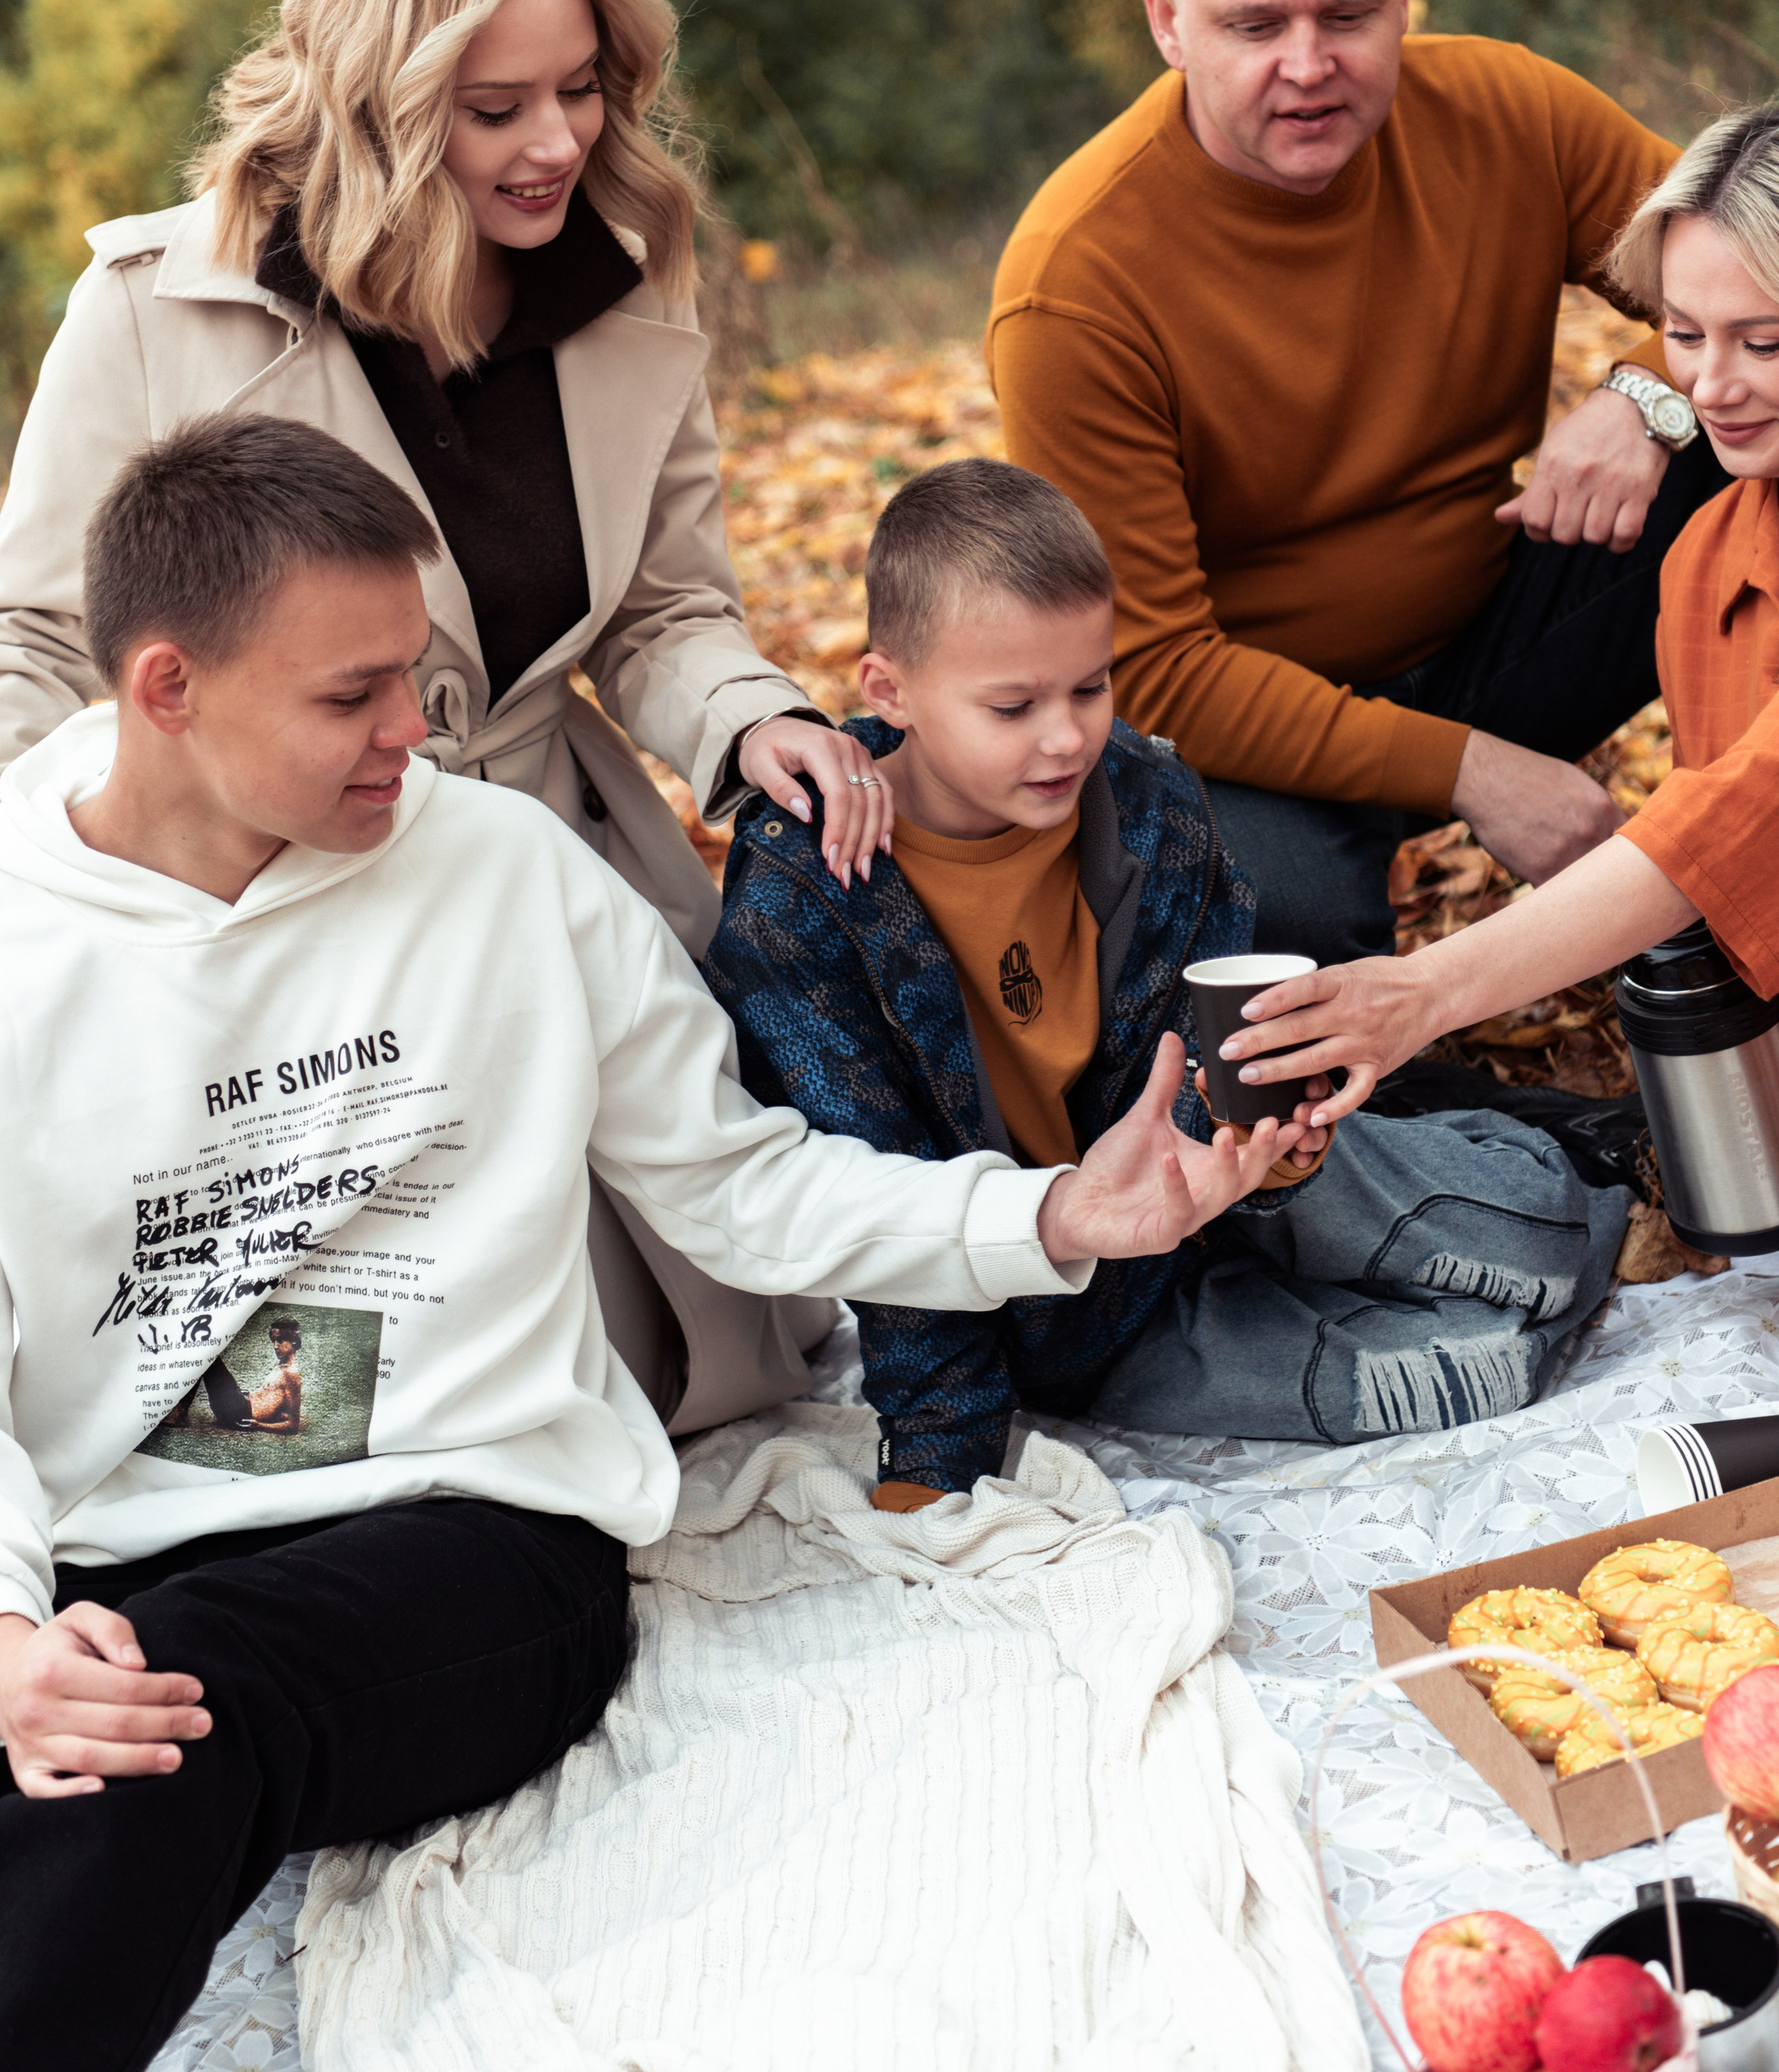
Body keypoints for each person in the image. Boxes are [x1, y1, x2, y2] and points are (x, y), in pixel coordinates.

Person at [0, 413, 1233, 2072]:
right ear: (168, 688)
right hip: (111, 1533)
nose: (411, 732)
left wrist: (1052, 1210)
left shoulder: (501, 866)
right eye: (346, 695)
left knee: (166, 1711)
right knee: (85, 1694)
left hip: (470, 1530)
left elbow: (735, 1183)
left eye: (412, 676)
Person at [0, 0, 891, 1438]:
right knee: (313, 1419)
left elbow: (672, 606)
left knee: (644, 1381)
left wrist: (751, 723)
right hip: (265, 921)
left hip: (543, 872)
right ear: (373, 107)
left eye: (581, 88)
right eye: (496, 110)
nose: (558, 141)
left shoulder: (630, 288)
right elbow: (46, 649)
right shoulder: (149, 309)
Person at [703, 459, 1635, 1499]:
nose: (1066, 737)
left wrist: (1278, 1155)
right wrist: (939, 1453)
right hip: (1063, 1297)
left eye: (1091, 687)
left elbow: (1220, 1064)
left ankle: (1562, 1167)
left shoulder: (1148, 800)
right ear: (890, 691)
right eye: (1012, 706)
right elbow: (881, 1186)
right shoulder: (806, 892)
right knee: (1465, 1375)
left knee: (1550, 1245)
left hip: (1224, 1186)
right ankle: (1446, 1209)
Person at [987, 0, 1732, 966]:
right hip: (1245, 730)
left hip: (1504, 620)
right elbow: (1154, 667)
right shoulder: (1074, 283)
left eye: (1348, 13)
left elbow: (1760, 268)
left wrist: (1646, 393)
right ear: (1167, 19)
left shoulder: (1509, 112)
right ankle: (1496, 1127)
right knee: (1271, 940)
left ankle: (1747, 850)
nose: (1308, 67)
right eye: (1252, 26)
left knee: (1755, 447)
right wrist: (1473, 771)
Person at [1217, 101, 1779, 1121]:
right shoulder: (1708, 555)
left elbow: (1747, 812)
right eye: (1686, 337)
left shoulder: (1493, 113)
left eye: (1766, 342)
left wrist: (1429, 988)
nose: (1714, 385)